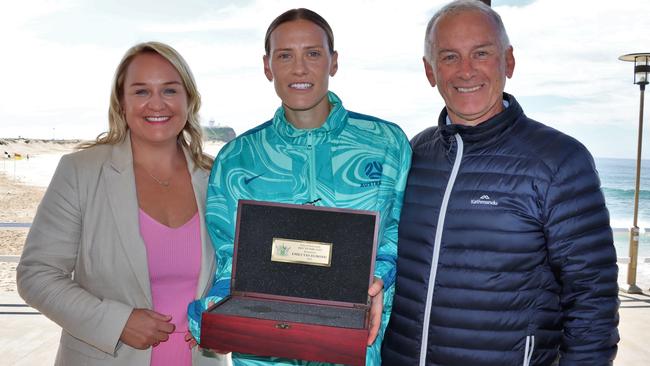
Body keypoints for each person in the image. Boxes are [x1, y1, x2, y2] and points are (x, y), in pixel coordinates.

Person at [381, 1, 619, 365]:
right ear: (430, 71)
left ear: (508, 61)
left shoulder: (559, 161)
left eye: (481, 53)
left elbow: (592, 298)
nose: (465, 71)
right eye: (449, 57)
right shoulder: (415, 153)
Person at [187, 8, 412, 366]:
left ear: (333, 62)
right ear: (267, 66)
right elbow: (232, 259)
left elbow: (398, 236)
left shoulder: (386, 143)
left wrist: (380, 277)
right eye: (285, 55)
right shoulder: (237, 159)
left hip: (356, 346)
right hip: (263, 353)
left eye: (313, 53)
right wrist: (215, 309)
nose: (300, 68)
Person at [17, 41, 229, 366]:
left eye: (170, 90)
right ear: (122, 101)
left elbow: (236, 273)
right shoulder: (81, 172)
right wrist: (116, 322)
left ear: (189, 100)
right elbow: (37, 274)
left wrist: (228, 318)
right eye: (141, 91)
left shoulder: (216, 177)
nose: (156, 104)